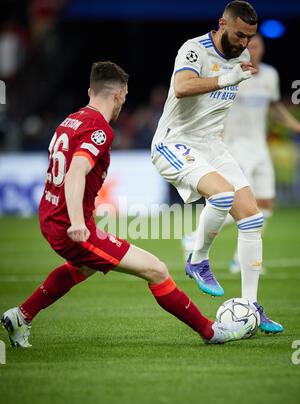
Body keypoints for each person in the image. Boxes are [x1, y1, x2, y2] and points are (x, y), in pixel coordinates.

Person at [0, 61, 252, 348]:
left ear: (90, 90)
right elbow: (74, 173)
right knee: (155, 269)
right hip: (70, 225)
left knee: (83, 268)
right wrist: (79, 224)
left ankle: (21, 316)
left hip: (51, 216)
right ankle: (211, 332)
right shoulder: (99, 129)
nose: (124, 102)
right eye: (126, 96)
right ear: (118, 95)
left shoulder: (70, 120)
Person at [151, 1, 283, 333]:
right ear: (222, 23)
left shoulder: (242, 57)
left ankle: (252, 307)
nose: (244, 44)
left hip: (213, 145)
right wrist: (226, 78)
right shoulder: (194, 50)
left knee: (252, 218)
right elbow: (182, 88)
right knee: (222, 196)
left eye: (250, 38)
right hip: (175, 141)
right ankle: (197, 259)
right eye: (240, 35)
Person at [223, 34, 300, 273]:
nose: (253, 51)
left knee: (265, 205)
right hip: (235, 147)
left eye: (257, 46)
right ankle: (196, 238)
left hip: (260, 148)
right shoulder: (231, 74)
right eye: (249, 46)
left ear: (263, 50)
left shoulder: (270, 75)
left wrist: (294, 125)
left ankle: (240, 258)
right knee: (243, 205)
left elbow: (274, 107)